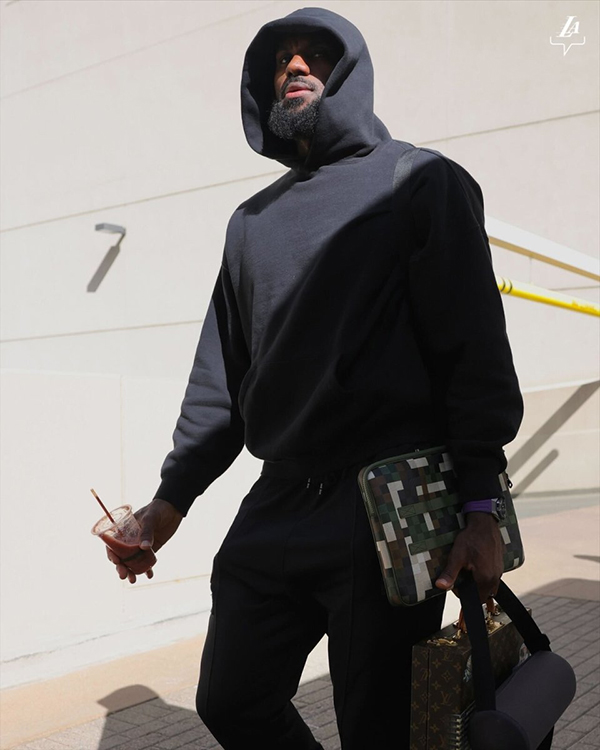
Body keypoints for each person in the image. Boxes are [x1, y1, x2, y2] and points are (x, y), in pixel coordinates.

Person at [106, 7, 523, 749]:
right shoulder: (250, 223)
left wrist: (482, 507)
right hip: (277, 502)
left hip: (385, 503)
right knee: (231, 699)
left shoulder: (420, 181)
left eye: (315, 55)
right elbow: (222, 382)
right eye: (281, 59)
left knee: (380, 731)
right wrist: (167, 506)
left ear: (350, 72)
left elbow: (474, 353)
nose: (294, 66)